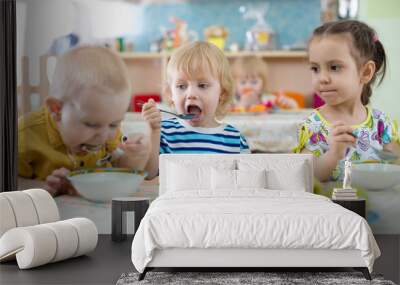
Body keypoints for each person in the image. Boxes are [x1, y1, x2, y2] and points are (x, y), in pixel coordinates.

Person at [18, 46, 150, 196]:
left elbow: (121, 171)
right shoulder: (25, 135)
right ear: (57, 110)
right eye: (92, 124)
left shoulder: (106, 128)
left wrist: (136, 157)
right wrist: (44, 187)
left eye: (114, 124)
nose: (104, 136)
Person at [294, 20, 400, 183]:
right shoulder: (313, 126)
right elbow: (310, 176)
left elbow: (395, 162)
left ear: (365, 72)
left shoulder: (380, 124)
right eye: (315, 68)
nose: (322, 78)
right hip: (333, 207)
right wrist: (334, 154)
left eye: (334, 67)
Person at [142, 41, 250, 179]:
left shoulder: (235, 139)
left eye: (202, 85)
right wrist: (154, 131)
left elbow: (246, 182)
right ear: (171, 94)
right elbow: (149, 174)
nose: (191, 93)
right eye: (181, 86)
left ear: (222, 93)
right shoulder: (165, 134)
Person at [230, 56, 299, 112]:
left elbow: (287, 111)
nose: (248, 86)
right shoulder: (232, 102)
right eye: (243, 82)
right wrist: (242, 105)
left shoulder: (268, 99)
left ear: (263, 84)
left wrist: (291, 104)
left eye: (254, 82)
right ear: (235, 85)